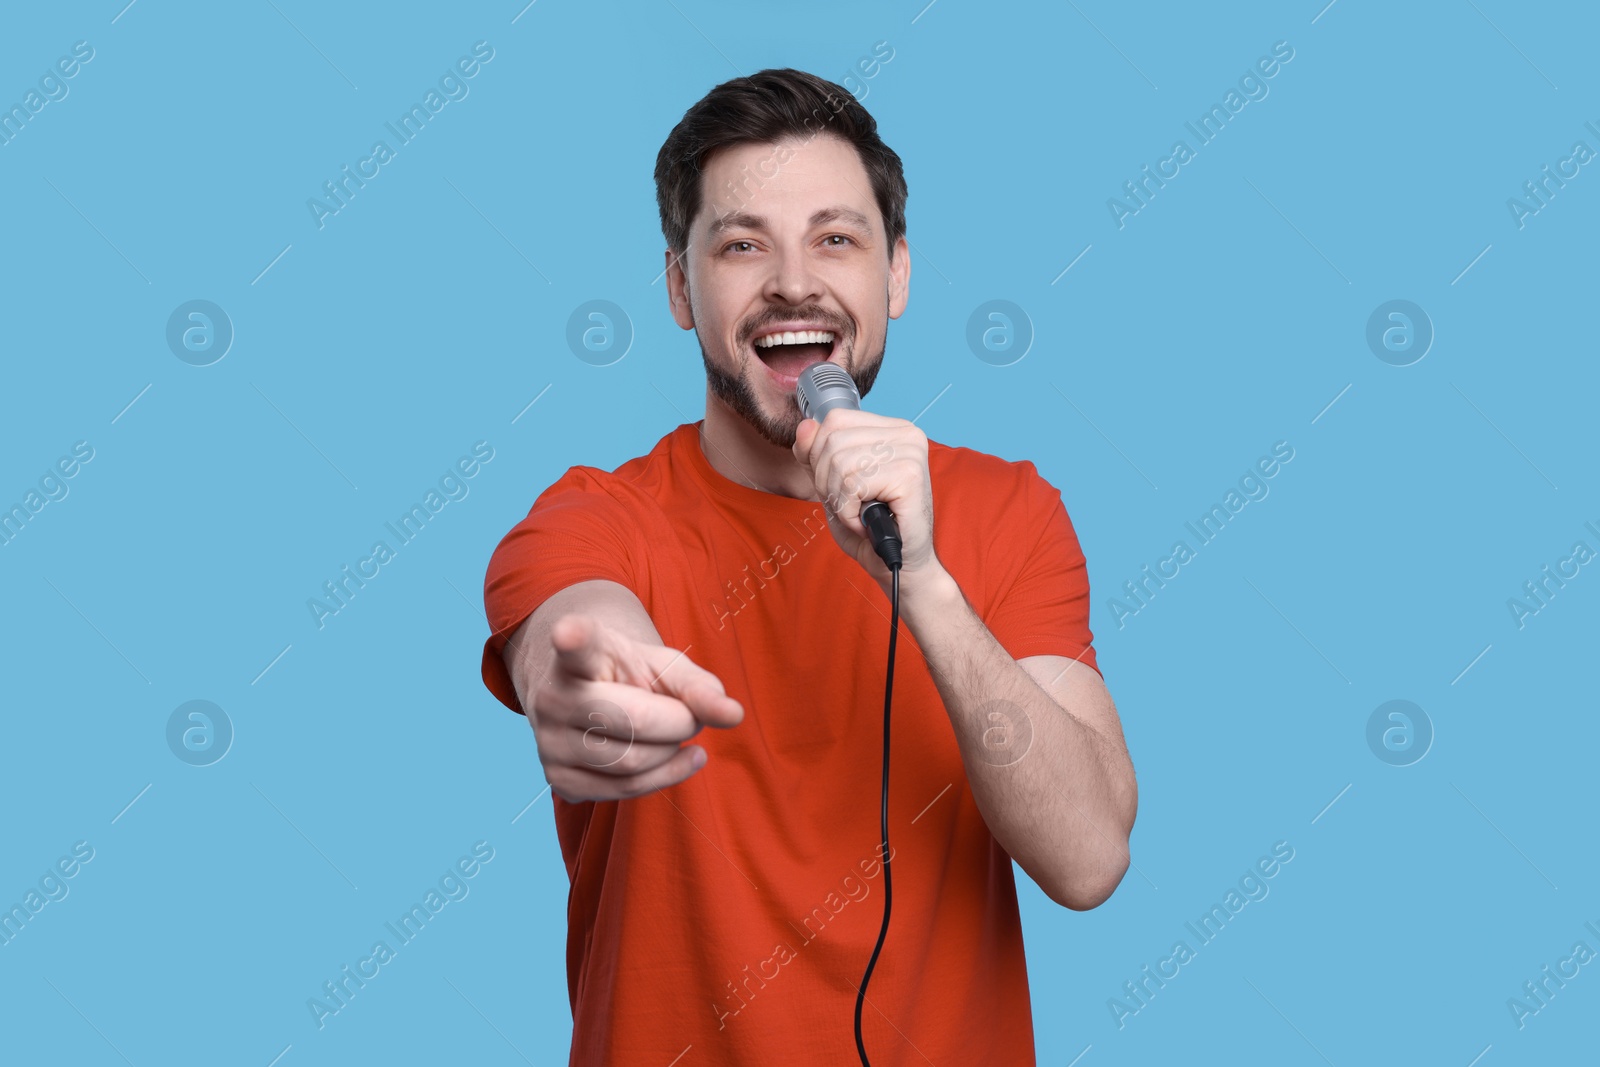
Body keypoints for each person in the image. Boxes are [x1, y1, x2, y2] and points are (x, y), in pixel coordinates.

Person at [479, 67, 1138, 1066]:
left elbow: (1087, 857)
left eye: (836, 237)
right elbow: (581, 629)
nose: (792, 280)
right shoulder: (595, 516)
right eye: (741, 244)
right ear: (678, 287)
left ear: (896, 274)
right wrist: (590, 685)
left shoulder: (1010, 512)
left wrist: (922, 584)